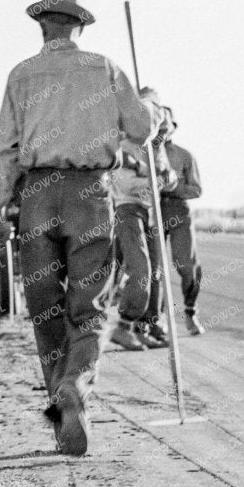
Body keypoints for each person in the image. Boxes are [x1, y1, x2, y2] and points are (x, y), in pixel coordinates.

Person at [0, 0, 156, 458]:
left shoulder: (21, 74)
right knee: (90, 305)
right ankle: (76, 386)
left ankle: (61, 410)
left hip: (37, 195)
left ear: (41, 25)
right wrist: (153, 110)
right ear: (79, 26)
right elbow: (142, 128)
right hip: (89, 195)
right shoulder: (104, 67)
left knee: (45, 306)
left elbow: (2, 149)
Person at [106, 125, 162, 352]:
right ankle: (123, 326)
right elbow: (125, 184)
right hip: (126, 209)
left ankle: (143, 328)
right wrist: (154, 177)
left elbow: (171, 179)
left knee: (155, 272)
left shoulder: (154, 148)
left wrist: (147, 172)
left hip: (150, 211)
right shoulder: (123, 147)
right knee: (140, 269)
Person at [156, 107, 205, 335]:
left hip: (178, 211)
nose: (163, 130)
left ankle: (191, 312)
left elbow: (196, 189)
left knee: (187, 265)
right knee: (153, 268)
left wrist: (175, 188)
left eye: (167, 126)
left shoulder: (184, 156)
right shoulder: (142, 152)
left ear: (173, 127)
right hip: (151, 210)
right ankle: (156, 319)